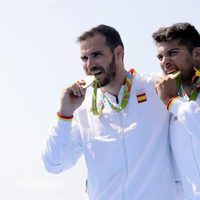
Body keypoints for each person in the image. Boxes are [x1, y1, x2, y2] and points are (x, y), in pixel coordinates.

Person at [42, 24, 177, 200]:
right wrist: (64, 114)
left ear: (118, 53)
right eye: (84, 58)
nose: (90, 65)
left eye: (96, 55)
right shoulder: (83, 110)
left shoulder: (157, 88)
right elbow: (54, 164)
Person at [153, 22, 200, 199]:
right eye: (160, 57)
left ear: (197, 54)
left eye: (172, 53)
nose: (165, 61)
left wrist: (172, 101)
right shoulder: (172, 105)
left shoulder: (173, 102)